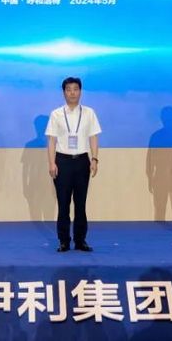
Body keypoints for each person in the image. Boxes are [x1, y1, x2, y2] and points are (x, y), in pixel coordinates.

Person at [46, 77, 100, 252]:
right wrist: (52, 163)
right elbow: (52, 141)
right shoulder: (56, 114)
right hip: (62, 162)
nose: (72, 93)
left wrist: (94, 159)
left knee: (80, 204)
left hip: (82, 161)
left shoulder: (89, 113)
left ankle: (80, 240)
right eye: (68, 89)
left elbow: (93, 137)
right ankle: (64, 241)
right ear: (64, 92)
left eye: (75, 89)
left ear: (80, 91)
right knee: (63, 204)